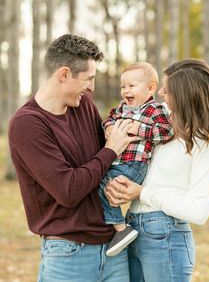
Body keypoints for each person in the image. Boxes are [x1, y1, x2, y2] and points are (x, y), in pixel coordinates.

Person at [8, 34, 141, 282]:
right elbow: (68, 190)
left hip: (114, 249)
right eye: (89, 79)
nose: (92, 87)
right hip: (69, 256)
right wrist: (111, 149)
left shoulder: (84, 104)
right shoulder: (27, 124)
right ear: (64, 74)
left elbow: (106, 164)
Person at [105, 58, 209, 282]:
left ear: (185, 94)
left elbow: (199, 211)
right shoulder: (157, 122)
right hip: (131, 228)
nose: (160, 92)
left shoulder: (205, 138)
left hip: (165, 235)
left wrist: (141, 193)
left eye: (167, 90)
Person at [99, 62, 173, 257]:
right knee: (102, 185)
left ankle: (120, 229)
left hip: (135, 164)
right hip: (118, 162)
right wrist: (108, 128)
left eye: (132, 86)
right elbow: (109, 119)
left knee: (104, 186)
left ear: (150, 88)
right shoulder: (121, 108)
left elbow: (166, 132)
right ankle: (117, 228)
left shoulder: (155, 110)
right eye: (123, 87)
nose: (125, 91)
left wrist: (138, 129)